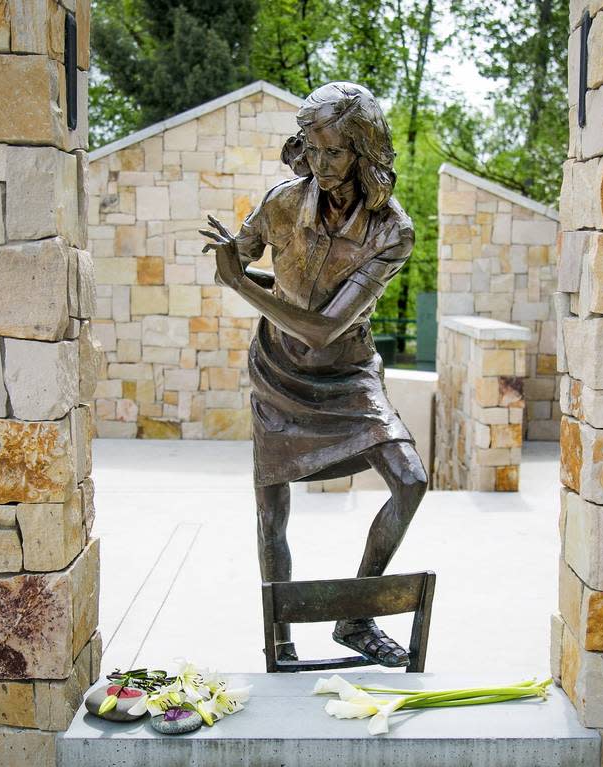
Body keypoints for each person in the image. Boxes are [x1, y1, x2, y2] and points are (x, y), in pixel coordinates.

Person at [201, 81, 427, 668]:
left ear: (363, 150)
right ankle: (279, 640)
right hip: (279, 371)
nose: (321, 165)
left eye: (335, 152)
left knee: (410, 480)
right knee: (271, 509)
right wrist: (235, 257)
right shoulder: (282, 200)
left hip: (347, 371)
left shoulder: (389, 231)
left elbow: (324, 328)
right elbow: (245, 249)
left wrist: (239, 285)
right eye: (313, 149)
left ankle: (355, 618)